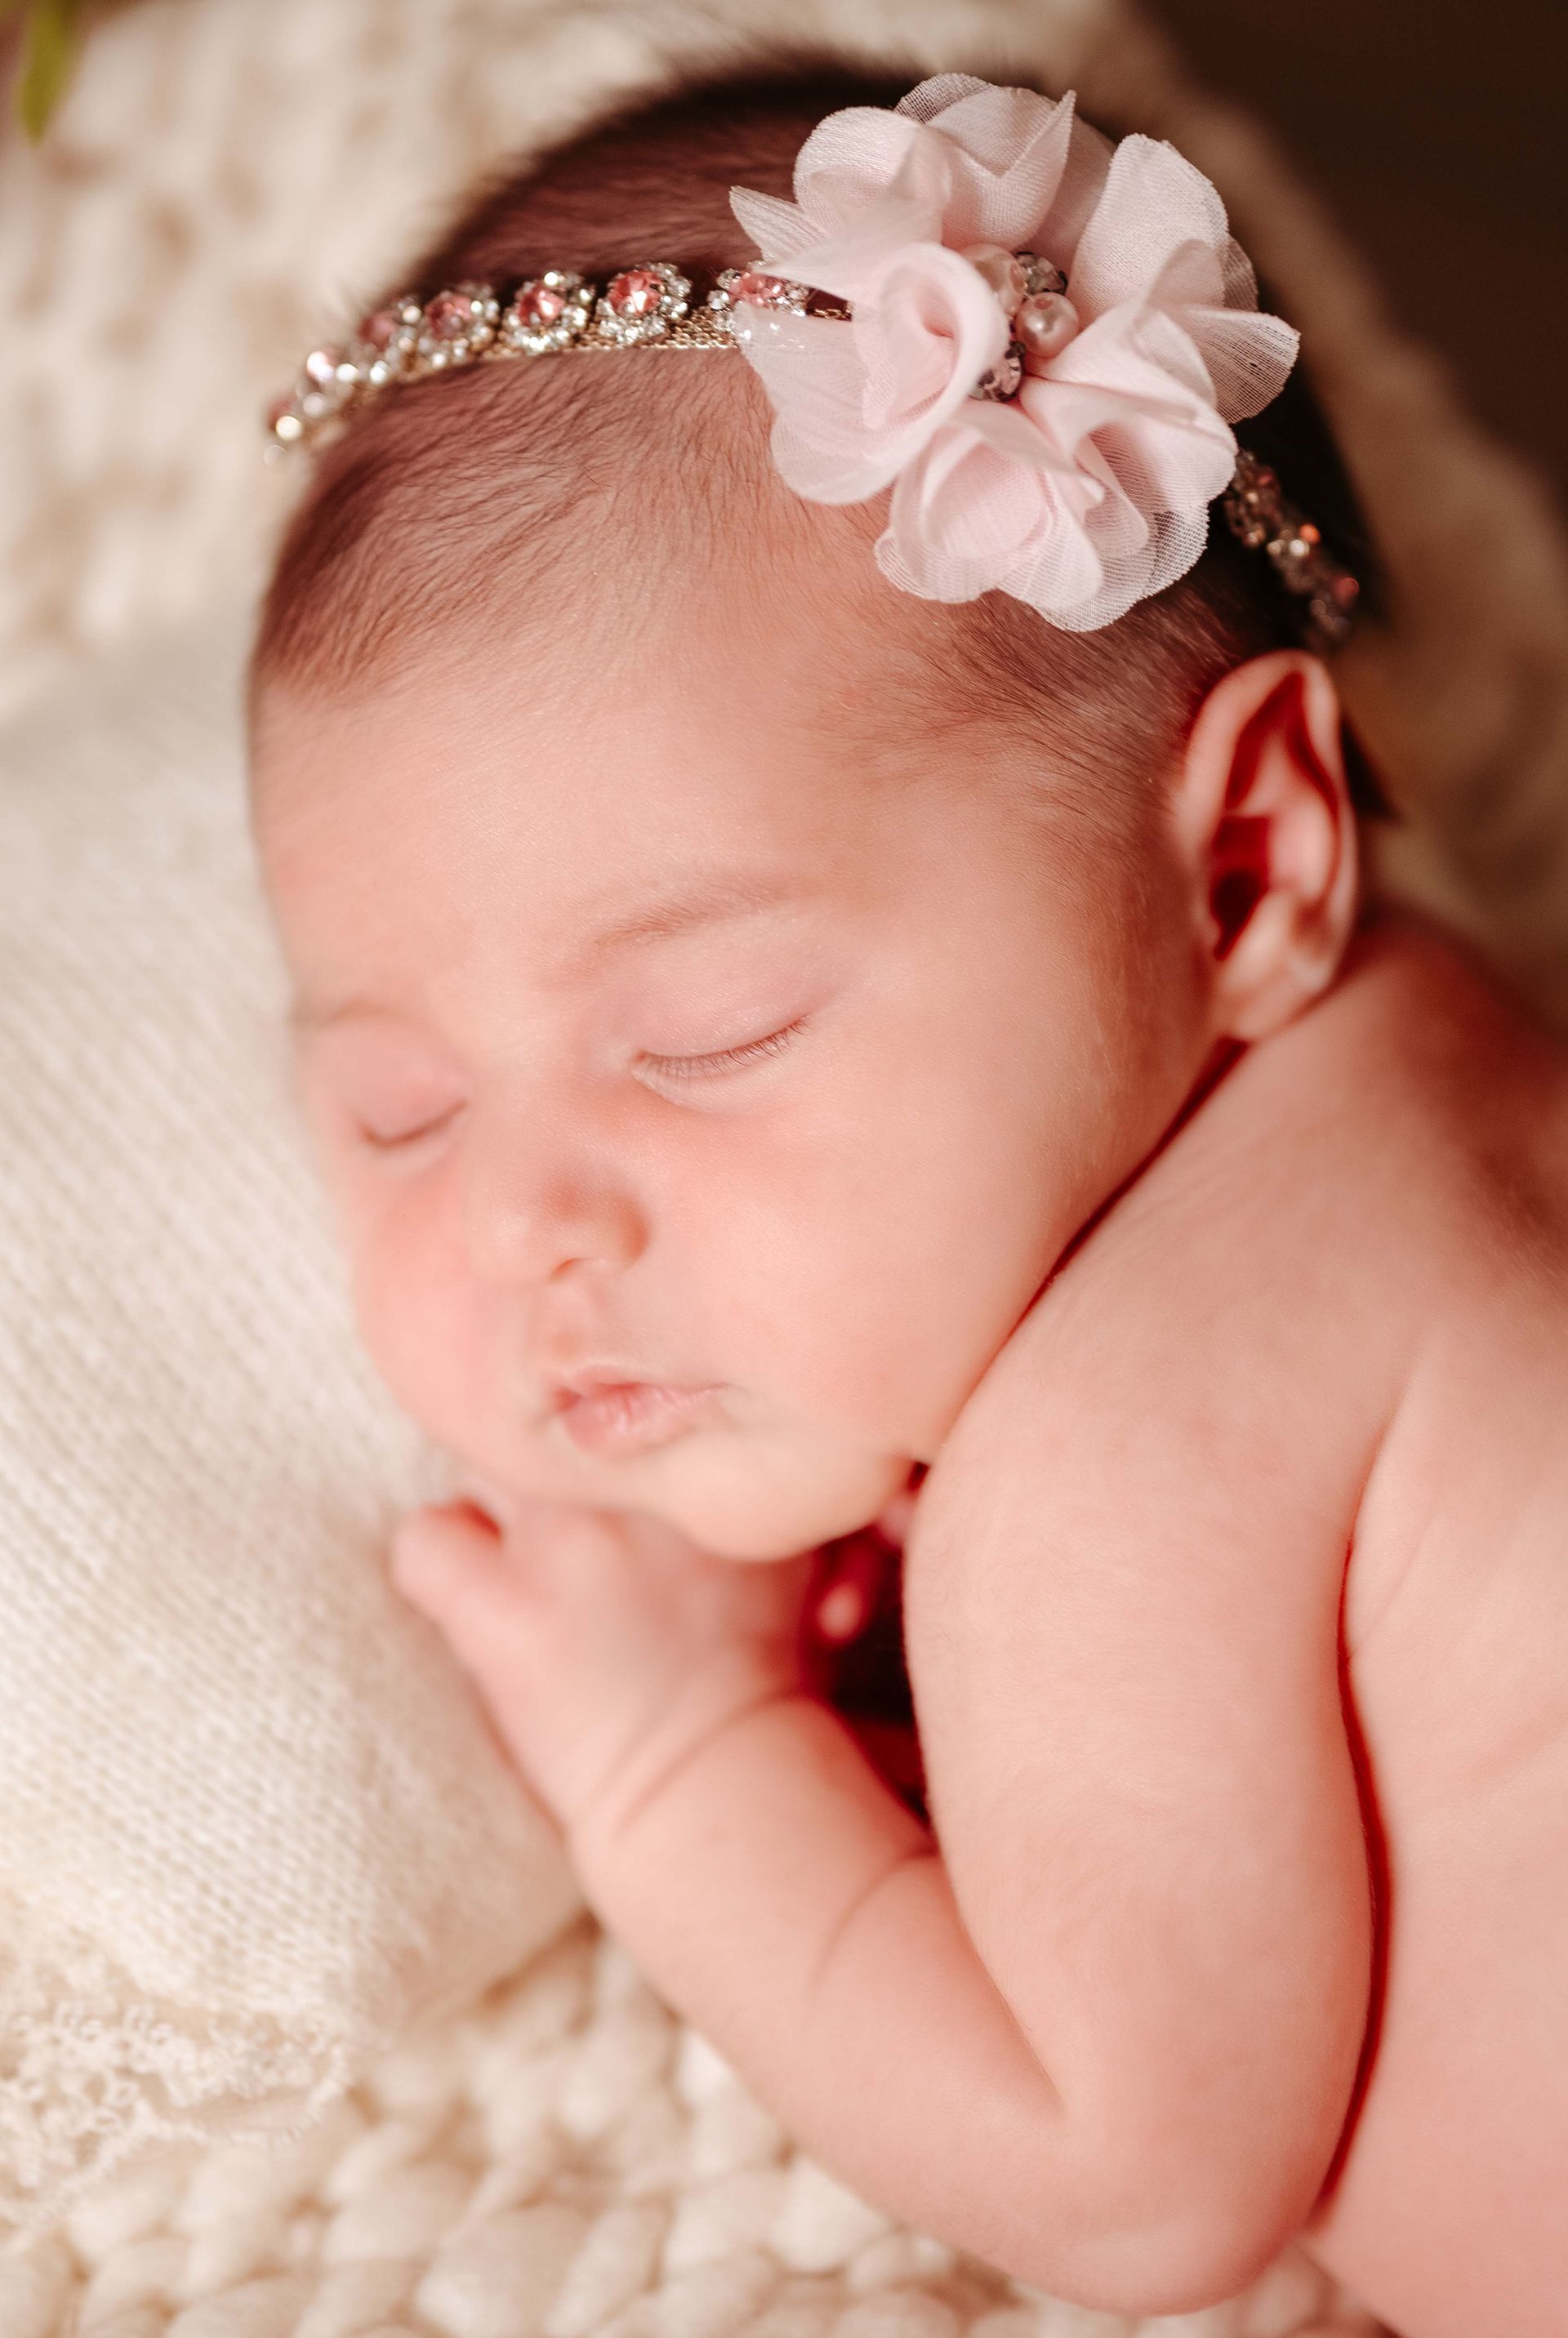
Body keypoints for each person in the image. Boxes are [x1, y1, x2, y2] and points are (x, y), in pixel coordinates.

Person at [246, 63, 1568, 2338]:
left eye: (713, 1037)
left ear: (1246, 861)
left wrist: (684, 1763)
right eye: (396, 1112)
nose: (530, 1226)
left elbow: (1135, 2178)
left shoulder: (1121, 1443)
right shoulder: (1438, 1060)